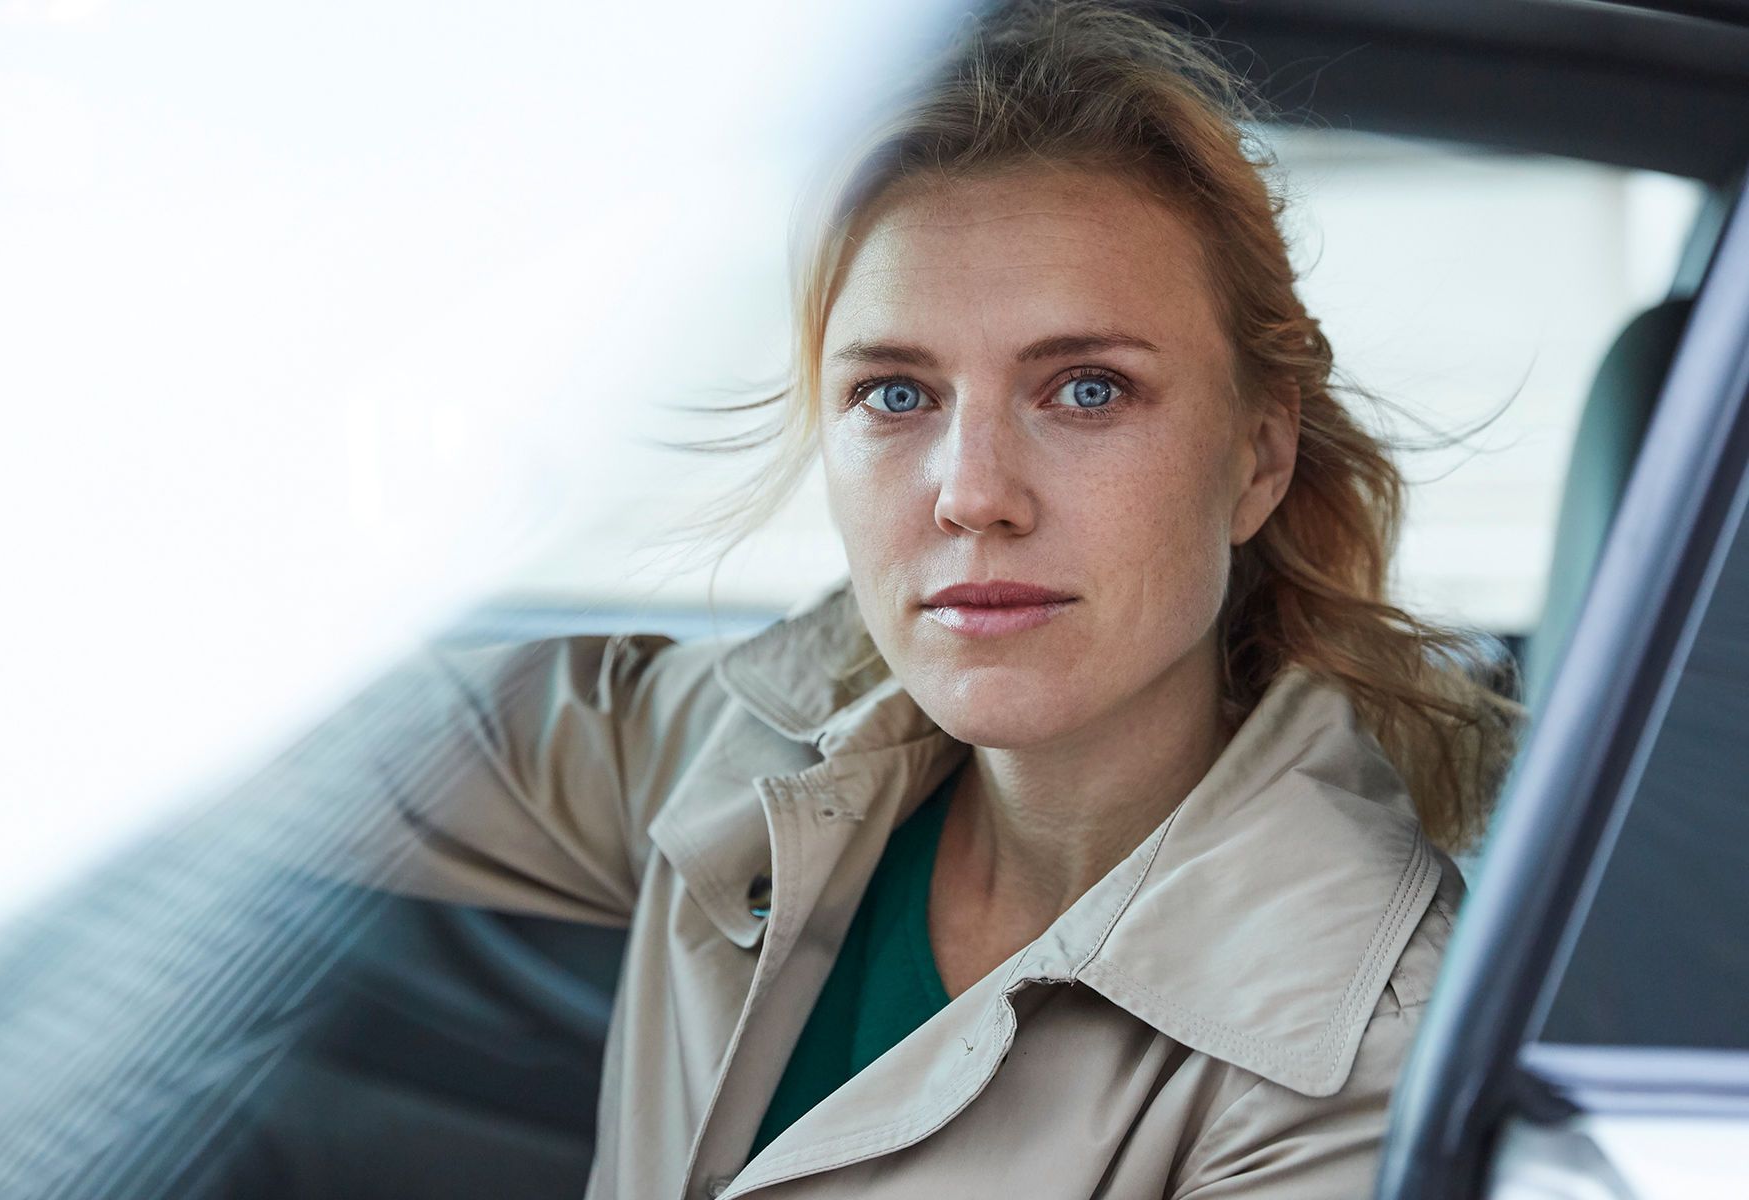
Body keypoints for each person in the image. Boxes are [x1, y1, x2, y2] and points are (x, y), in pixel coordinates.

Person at [287, 2, 1519, 1196]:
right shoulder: (745, 745)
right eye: (896, 394)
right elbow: (281, 734)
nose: (973, 494)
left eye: (1087, 389)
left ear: (1257, 458)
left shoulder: (1351, 1050)